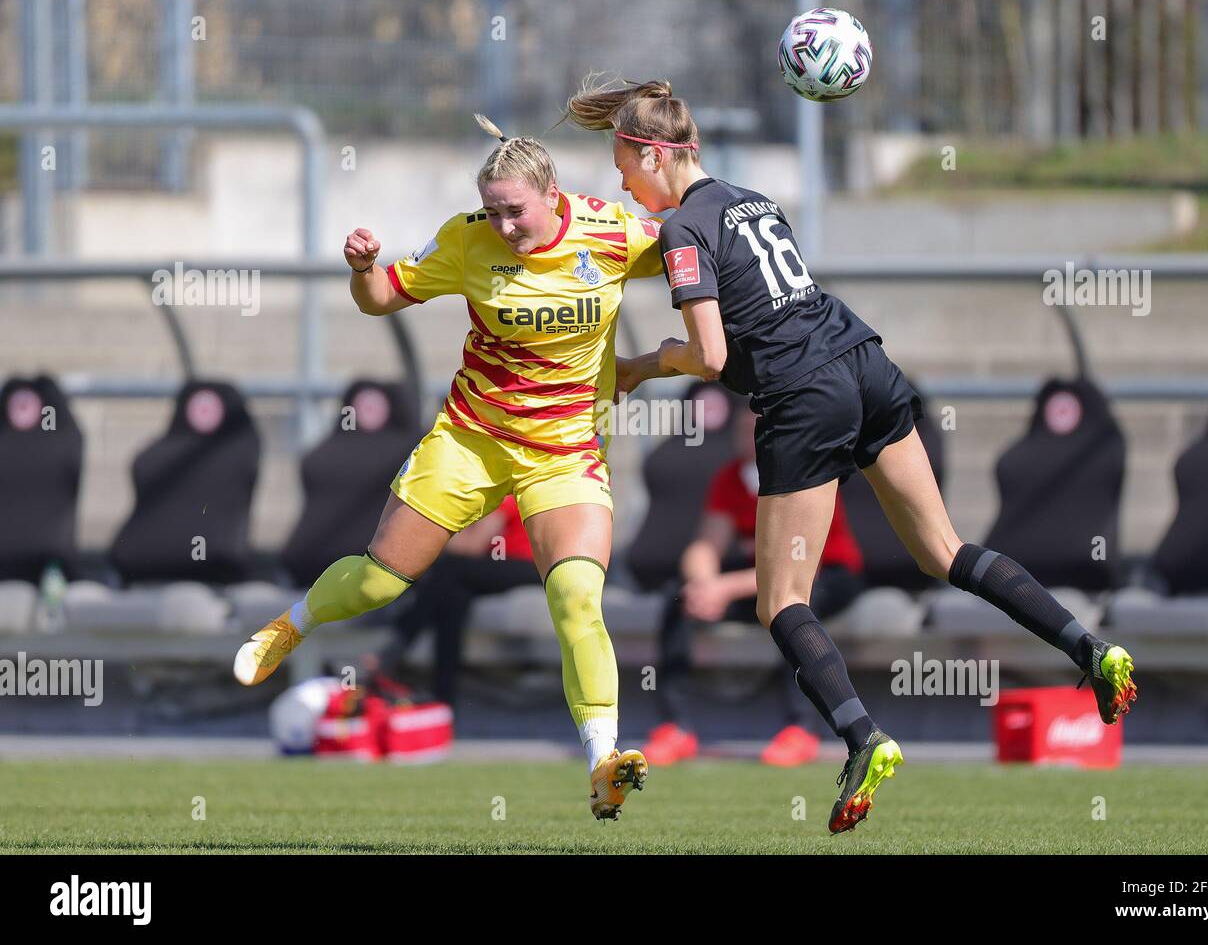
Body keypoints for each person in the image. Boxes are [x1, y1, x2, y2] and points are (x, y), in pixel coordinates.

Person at [570, 78, 1138, 834]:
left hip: (804, 396)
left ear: (654, 153)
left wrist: (643, 365)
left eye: (623, 165)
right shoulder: (754, 200)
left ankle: (864, 737)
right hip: (863, 361)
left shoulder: (683, 231)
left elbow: (710, 356)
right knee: (946, 548)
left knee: (779, 600)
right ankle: (1094, 651)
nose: (620, 181)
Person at [233, 115, 665, 820]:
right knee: (378, 579)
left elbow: (694, 246)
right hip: (470, 440)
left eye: (514, 211)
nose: (502, 225)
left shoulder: (613, 232)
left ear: (554, 194)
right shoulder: (466, 237)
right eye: (493, 211)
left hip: (564, 452)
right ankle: (291, 624)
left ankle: (603, 759)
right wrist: (361, 267)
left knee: (578, 598)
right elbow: (379, 300)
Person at [646, 406, 863, 767]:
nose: (747, 437)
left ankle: (801, 728)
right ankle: (675, 726)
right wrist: (703, 585)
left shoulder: (806, 475)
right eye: (742, 429)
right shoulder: (731, 477)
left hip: (826, 574)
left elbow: (797, 565)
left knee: (794, 609)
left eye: (756, 429)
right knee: (679, 598)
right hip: (759, 576)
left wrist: (725, 588)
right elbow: (706, 543)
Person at [379, 496, 537, 718]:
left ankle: (394, 647)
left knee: (449, 569)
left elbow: (472, 546)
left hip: (527, 566)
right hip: (508, 563)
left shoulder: (508, 490)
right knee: (452, 596)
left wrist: (423, 540)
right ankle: (443, 703)